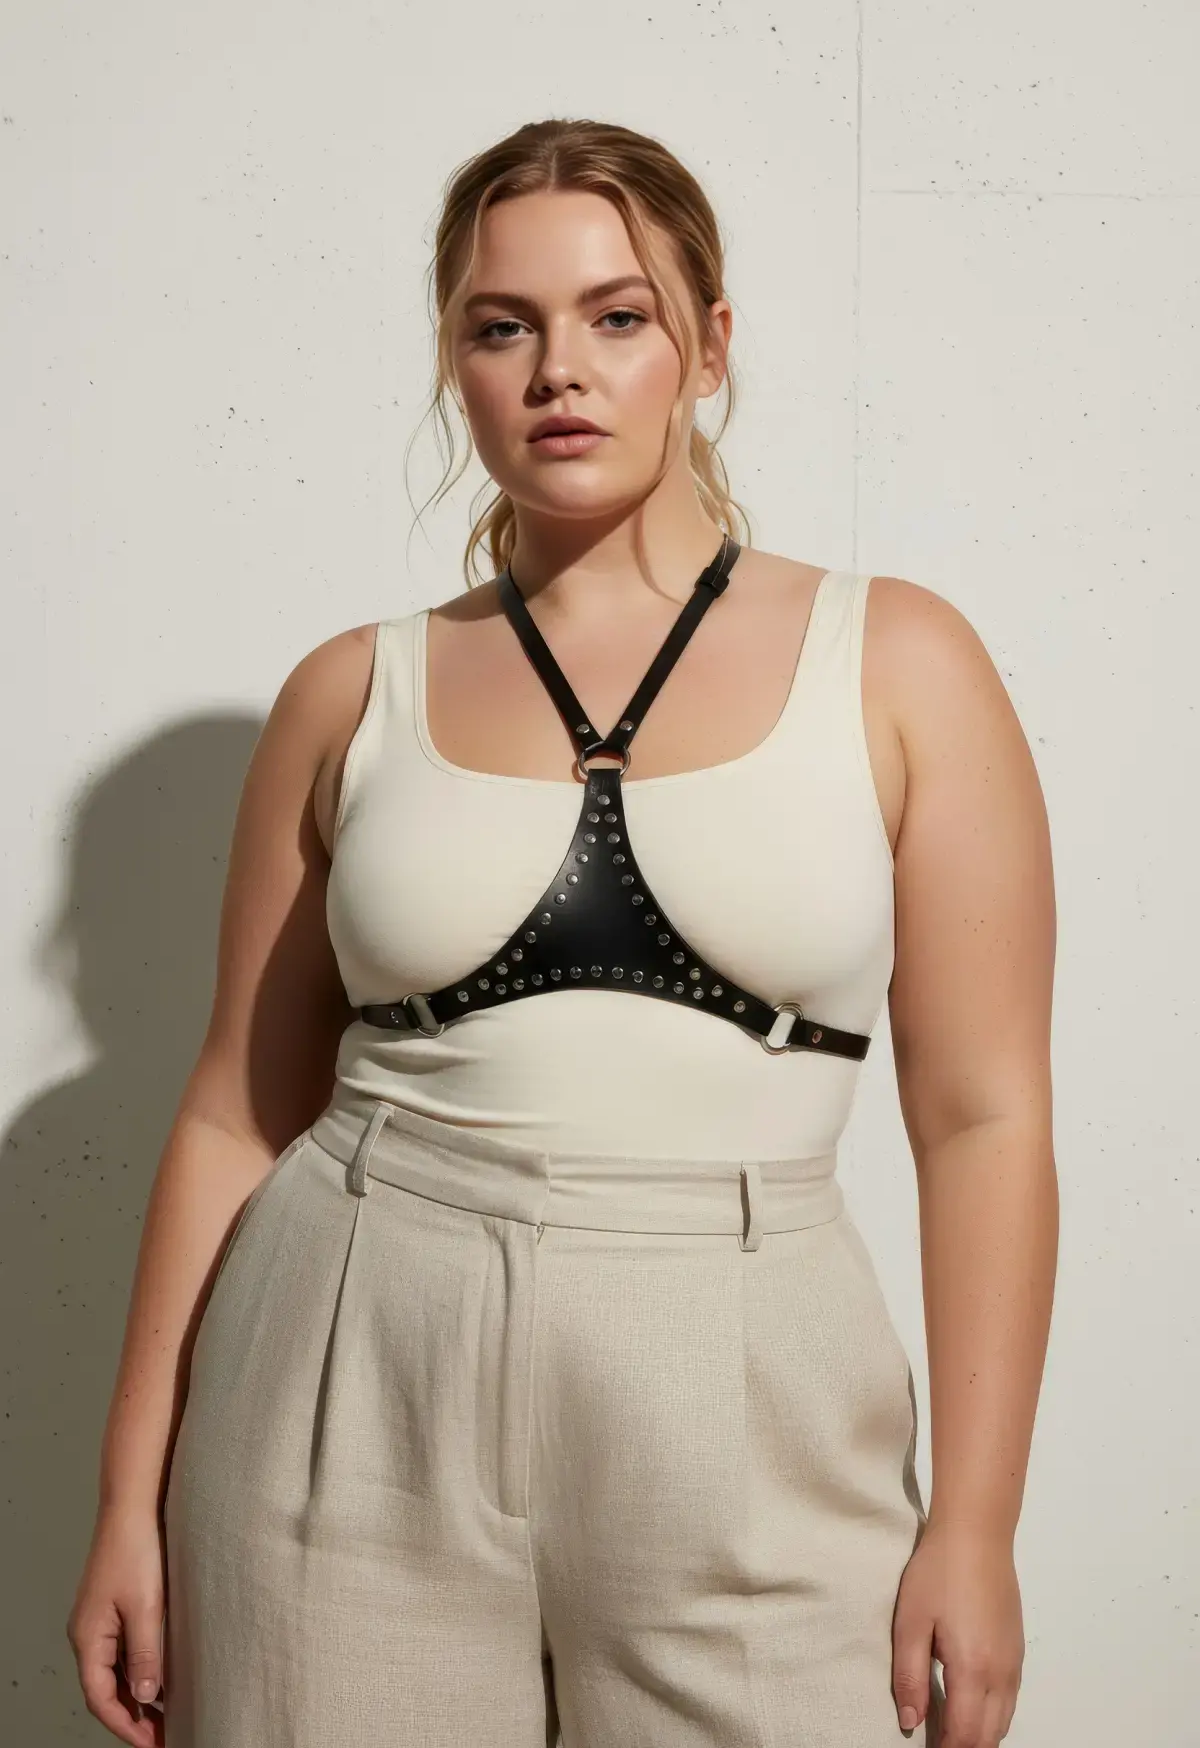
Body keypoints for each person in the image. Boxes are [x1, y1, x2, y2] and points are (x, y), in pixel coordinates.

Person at [66, 117, 1058, 1748]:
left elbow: (985, 1118)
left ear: (709, 347)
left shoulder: (899, 666)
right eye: (500, 326)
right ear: (452, 365)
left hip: (748, 1366)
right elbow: (235, 1111)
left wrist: (979, 1521)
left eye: (617, 316)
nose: (558, 372)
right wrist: (128, 1498)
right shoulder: (352, 692)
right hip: (348, 1355)